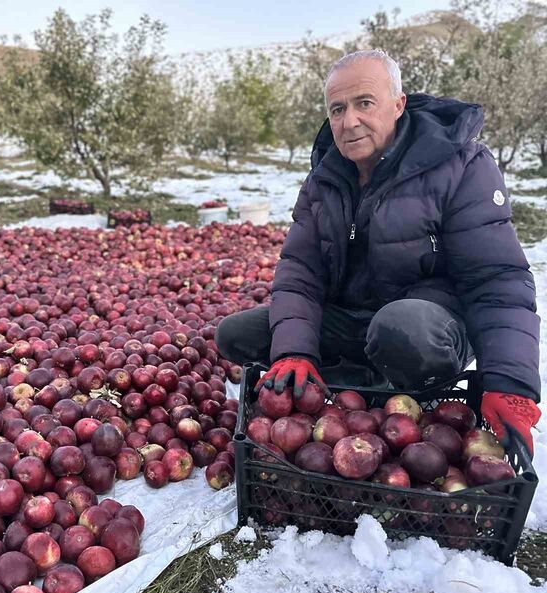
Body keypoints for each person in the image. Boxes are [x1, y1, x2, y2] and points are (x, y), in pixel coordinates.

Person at [215, 50, 542, 454]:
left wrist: (509, 382)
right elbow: (300, 272)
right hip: (354, 320)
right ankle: (357, 387)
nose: (349, 121)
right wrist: (294, 351)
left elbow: (496, 279)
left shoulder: (460, 165)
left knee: (399, 328)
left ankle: (403, 386)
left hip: (427, 325)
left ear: (398, 104)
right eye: (337, 109)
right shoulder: (325, 179)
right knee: (237, 334)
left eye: (364, 103)